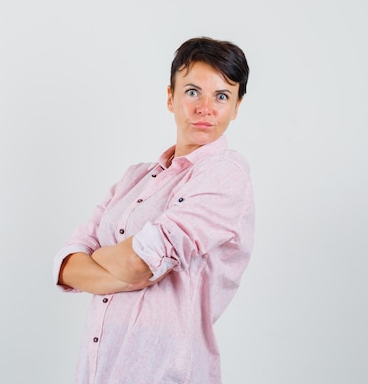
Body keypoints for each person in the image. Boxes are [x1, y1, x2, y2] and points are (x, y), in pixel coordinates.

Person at [52, 36, 254, 384]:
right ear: (170, 98)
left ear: (236, 107)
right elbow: (67, 263)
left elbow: (139, 262)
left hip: (164, 373)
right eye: (192, 92)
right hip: (98, 371)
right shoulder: (136, 178)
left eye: (221, 96)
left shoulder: (225, 173)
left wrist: (102, 260)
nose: (205, 106)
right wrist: (124, 267)